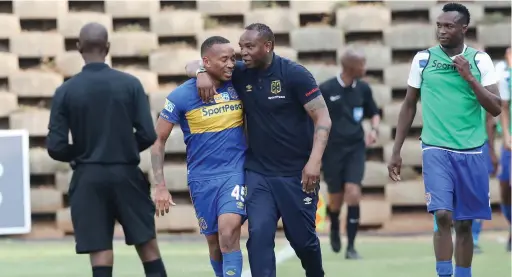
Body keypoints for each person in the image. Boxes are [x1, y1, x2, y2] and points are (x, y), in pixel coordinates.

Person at [185, 23, 331, 277]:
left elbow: (323, 119)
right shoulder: (240, 73)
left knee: (302, 240)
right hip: (259, 173)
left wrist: (314, 162)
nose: (243, 53)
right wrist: (201, 72)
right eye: (241, 47)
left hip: (296, 173)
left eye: (249, 46)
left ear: (268, 46)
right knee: (259, 235)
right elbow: (193, 63)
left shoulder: (295, 74)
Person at [387, 3, 501, 277]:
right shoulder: (423, 60)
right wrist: (396, 150)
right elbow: (408, 105)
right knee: (442, 216)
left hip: (472, 152)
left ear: (464, 28)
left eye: (449, 26)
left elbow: (496, 107)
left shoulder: (479, 60)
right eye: (439, 25)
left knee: (464, 224)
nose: (442, 31)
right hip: (435, 149)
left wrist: (469, 78)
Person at [46, 23, 168, 277]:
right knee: (147, 245)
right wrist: (123, 148)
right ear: (108, 47)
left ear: (79, 48)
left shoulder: (65, 91)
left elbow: (56, 148)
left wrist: (81, 153)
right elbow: (147, 134)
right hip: (126, 174)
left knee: (100, 250)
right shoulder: (130, 84)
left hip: (88, 178)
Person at [150, 36, 246, 277]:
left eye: (233, 58)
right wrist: (160, 185)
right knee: (214, 243)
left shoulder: (240, 81)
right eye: (224, 59)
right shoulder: (181, 96)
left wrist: (201, 70)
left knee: (228, 231)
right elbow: (157, 140)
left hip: (235, 172)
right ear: (207, 61)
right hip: (201, 179)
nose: (231, 64)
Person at [319, 49, 380, 259]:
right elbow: (315, 118)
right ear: (349, 67)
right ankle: (335, 225)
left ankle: (351, 247)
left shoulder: (363, 89)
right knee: (335, 199)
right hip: (332, 150)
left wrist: (373, 130)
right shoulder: (326, 89)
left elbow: (374, 113)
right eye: (362, 64)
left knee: (353, 193)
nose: (365, 68)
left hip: (355, 148)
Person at [497, 46, 512, 252]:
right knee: (504, 186)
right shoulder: (506, 78)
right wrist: (507, 135)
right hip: (509, 142)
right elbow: (504, 108)